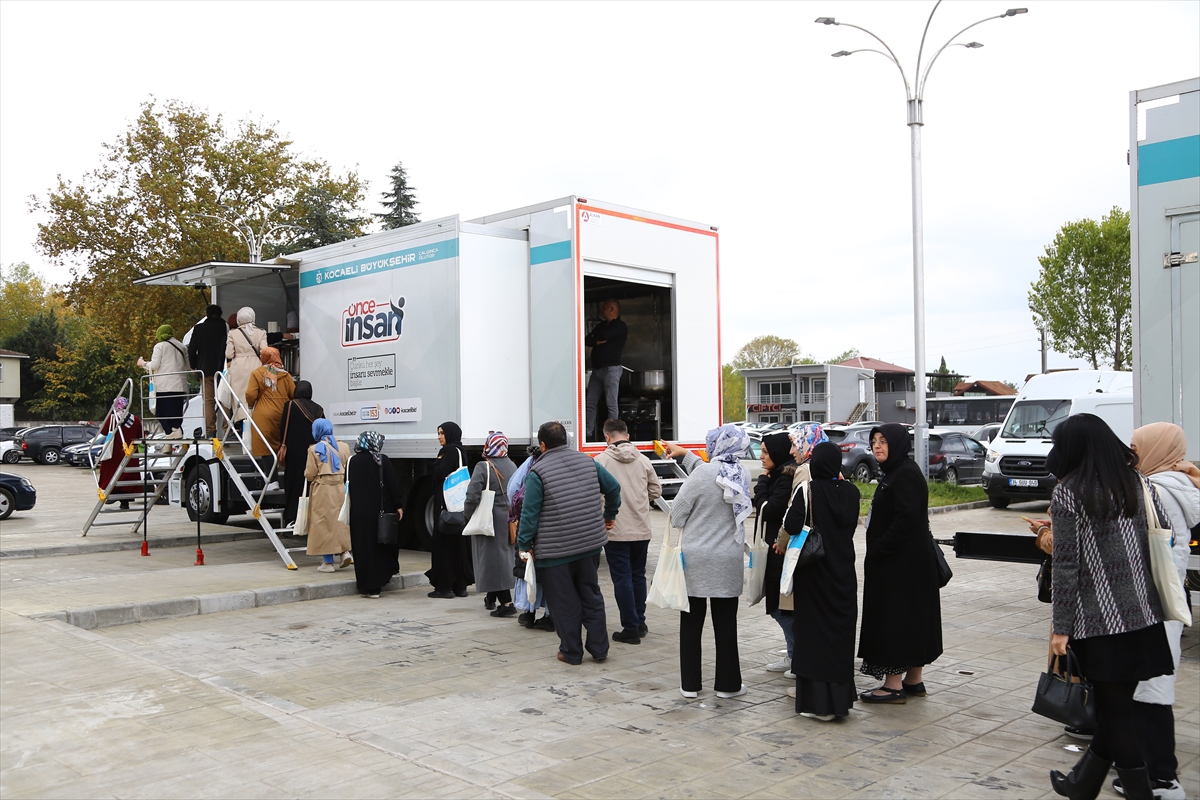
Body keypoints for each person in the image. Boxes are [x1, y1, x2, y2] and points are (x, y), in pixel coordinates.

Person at [1041, 413, 1175, 800]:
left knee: (1116, 714)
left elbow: (1067, 565)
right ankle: (1081, 786)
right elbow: (1161, 536)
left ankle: (1139, 794)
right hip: (1144, 616)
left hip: (1098, 622)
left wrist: (1060, 627)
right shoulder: (1137, 482)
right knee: (1117, 707)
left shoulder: (1068, 492)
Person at [1113, 422, 1198, 800]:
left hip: (1150, 602)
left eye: (1135, 445)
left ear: (1156, 448)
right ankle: (1145, 772)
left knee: (1149, 692)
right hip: (1166, 598)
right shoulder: (1179, 484)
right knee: (1152, 687)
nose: (1130, 452)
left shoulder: (1155, 489)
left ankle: (1162, 779)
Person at [517, 421, 621, 665]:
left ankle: (571, 652)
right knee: (591, 595)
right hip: (590, 545)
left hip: (556, 552)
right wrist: (610, 515)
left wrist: (524, 544)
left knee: (564, 602)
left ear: (542, 445)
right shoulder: (588, 461)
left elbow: (529, 514)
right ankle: (599, 648)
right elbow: (614, 488)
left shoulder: (538, 472)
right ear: (566, 440)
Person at [662, 424, 753, 700]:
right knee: (726, 625)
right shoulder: (742, 473)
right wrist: (684, 454)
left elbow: (676, 515)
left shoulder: (702, 474)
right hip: (729, 560)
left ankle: (690, 685)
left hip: (696, 560)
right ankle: (728, 685)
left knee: (691, 625)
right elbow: (713, 472)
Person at [857, 422, 943, 704]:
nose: (878, 446)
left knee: (894, 620)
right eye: (874, 441)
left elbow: (905, 520)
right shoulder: (898, 471)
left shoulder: (904, 474)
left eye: (884, 441)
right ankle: (913, 680)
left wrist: (881, 548)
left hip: (899, 567)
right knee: (912, 621)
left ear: (897, 443)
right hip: (908, 565)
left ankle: (893, 685)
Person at [781, 441, 861, 721]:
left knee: (814, 638)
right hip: (844, 576)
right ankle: (839, 702)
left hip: (815, 576)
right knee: (839, 639)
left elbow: (791, 525)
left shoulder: (808, 490)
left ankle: (818, 705)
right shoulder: (852, 492)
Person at [594, 419, 662, 644]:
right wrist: (640, 500)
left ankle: (630, 627)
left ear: (607, 436)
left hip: (615, 530)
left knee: (622, 578)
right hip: (641, 529)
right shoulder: (643, 460)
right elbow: (656, 490)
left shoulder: (600, 461)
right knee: (638, 575)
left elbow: (595, 493)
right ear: (628, 435)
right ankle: (640, 621)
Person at [753, 431, 799, 674]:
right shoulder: (779, 475)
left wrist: (761, 483)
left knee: (781, 607)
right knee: (777, 605)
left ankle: (797, 655)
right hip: (775, 550)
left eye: (765, 452)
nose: (762, 457)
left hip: (780, 551)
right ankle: (793, 655)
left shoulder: (784, 478)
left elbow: (769, 510)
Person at [466, 432, 518, 617]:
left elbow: (472, 495)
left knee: (493, 561)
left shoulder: (484, 466)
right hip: (509, 518)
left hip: (489, 520)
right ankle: (491, 597)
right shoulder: (512, 464)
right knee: (501, 558)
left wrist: (467, 514)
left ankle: (506, 603)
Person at [347, 430, 403, 598]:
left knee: (361, 546)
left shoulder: (352, 461)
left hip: (358, 513)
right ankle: (376, 586)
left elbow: (347, 486)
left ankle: (364, 586)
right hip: (379, 512)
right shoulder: (381, 460)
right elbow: (392, 484)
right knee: (378, 546)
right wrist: (398, 505)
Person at [509, 444, 553, 631]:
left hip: (531, 524)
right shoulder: (563, 462)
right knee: (553, 573)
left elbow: (513, 489)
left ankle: (529, 613)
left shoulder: (532, 463)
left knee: (529, 568)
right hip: (554, 526)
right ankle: (550, 616)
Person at [428, 422, 472, 598]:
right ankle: (460, 586)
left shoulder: (449, 451)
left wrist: (436, 462)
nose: (439, 436)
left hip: (446, 507)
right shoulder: (461, 451)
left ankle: (444, 587)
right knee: (459, 546)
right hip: (459, 507)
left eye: (442, 433)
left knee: (444, 546)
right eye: (438, 433)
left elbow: (439, 473)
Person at [304, 419, 352, 573]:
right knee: (341, 521)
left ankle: (328, 562)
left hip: (322, 490)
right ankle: (344, 552)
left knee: (323, 524)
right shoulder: (344, 446)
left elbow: (310, 474)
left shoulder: (313, 449)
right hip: (340, 488)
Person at [279, 381, 323, 528]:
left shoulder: (290, 405)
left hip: (294, 453)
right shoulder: (318, 409)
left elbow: (283, 427)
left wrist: (282, 444)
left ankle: (292, 517)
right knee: (311, 485)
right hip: (314, 452)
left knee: (293, 484)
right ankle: (311, 518)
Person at [584, 299, 627, 441]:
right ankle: (588, 433)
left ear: (611, 309)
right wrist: (596, 340)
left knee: (611, 403)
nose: (602, 310)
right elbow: (587, 340)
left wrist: (596, 338)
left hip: (611, 369)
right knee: (590, 402)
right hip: (597, 370)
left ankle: (613, 436)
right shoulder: (602, 325)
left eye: (604, 307)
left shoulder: (620, 326)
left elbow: (603, 336)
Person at [138, 324, 190, 438]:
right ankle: (173, 434)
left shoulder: (159, 346)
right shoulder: (182, 347)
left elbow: (155, 365)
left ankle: (172, 433)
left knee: (159, 411)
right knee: (176, 413)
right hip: (180, 386)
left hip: (164, 385)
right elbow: (187, 366)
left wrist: (143, 364)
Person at [244, 347, 295, 460]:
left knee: (266, 446)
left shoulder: (257, 373)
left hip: (263, 415)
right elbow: (293, 394)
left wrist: (251, 405)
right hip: (283, 414)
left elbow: (250, 394)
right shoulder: (286, 375)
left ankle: (270, 475)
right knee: (282, 442)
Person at [187, 304, 227, 436]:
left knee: (209, 401)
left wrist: (194, 366)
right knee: (225, 398)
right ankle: (228, 429)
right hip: (223, 368)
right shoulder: (225, 327)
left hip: (205, 370)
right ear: (220, 314)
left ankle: (210, 431)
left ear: (207, 314)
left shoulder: (199, 329)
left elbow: (192, 349)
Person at [97, 396, 143, 510]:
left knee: (111, 473)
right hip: (130, 452)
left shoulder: (113, 418)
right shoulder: (135, 419)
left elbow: (103, 431)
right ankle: (125, 503)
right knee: (127, 476)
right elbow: (140, 436)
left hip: (115, 453)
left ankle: (112, 494)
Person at [224, 306, 268, 422]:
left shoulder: (233, 333)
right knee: (255, 394)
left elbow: (229, 354)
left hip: (238, 367)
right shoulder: (261, 332)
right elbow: (265, 351)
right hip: (256, 365)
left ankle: (241, 422)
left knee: (239, 396)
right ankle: (255, 420)